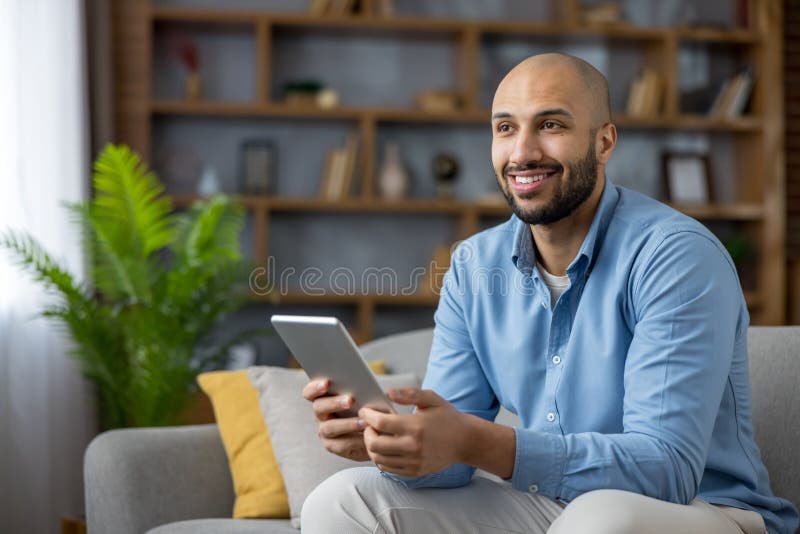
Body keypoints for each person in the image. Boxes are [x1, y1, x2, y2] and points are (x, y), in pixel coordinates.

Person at [300, 53, 799, 534]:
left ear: (604, 143)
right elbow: (450, 465)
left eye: (551, 125)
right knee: (343, 502)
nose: (522, 153)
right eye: (505, 128)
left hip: (700, 511)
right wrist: (393, 445)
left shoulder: (676, 256)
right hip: (554, 506)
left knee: (601, 520)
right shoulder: (474, 266)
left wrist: (484, 443)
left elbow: (665, 470)